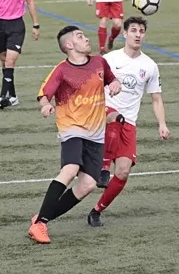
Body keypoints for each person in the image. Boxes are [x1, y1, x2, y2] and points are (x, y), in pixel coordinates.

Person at [28, 26, 122, 244]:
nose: (86, 38)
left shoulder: (99, 62)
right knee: (70, 170)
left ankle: (42, 217)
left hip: (96, 134)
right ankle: (40, 224)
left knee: (88, 185)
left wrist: (116, 83)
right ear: (69, 45)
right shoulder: (61, 70)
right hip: (72, 129)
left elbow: (111, 79)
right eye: (80, 37)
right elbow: (44, 95)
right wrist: (45, 106)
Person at [88, 15, 170, 227]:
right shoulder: (111, 59)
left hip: (129, 123)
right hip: (104, 113)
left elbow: (156, 98)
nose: (137, 35)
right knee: (116, 119)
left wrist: (162, 124)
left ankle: (96, 211)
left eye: (141, 31)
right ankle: (103, 169)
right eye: (133, 30)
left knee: (123, 172)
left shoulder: (150, 66)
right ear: (125, 33)